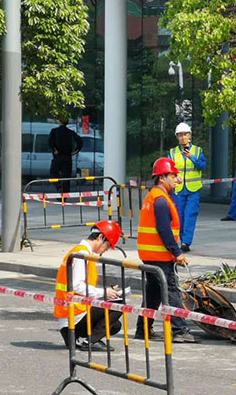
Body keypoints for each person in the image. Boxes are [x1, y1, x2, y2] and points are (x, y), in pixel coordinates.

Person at [137, 157, 198, 343]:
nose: (176, 179)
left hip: (150, 253)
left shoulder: (154, 196)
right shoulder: (161, 200)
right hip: (159, 255)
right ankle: (180, 330)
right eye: (173, 176)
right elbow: (164, 230)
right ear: (162, 177)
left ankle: (143, 329)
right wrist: (177, 252)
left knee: (154, 291)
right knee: (171, 289)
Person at [53, 220, 123, 351]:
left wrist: (107, 291)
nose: (106, 250)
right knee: (118, 304)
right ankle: (89, 341)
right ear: (101, 237)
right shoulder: (82, 254)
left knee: (115, 325)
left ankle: (83, 338)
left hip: (71, 316)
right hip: (74, 317)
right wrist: (104, 293)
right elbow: (78, 286)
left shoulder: (79, 251)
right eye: (107, 246)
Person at [168, 122, 206, 253]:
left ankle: (186, 242)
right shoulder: (172, 152)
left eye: (185, 134)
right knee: (179, 216)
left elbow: (202, 165)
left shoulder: (197, 150)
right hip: (179, 189)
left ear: (189, 135)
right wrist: (174, 176)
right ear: (177, 137)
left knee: (190, 215)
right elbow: (169, 169)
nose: (183, 137)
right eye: (180, 135)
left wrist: (192, 158)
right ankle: (181, 239)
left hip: (193, 189)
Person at [48, 119, 83, 194]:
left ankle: (59, 187)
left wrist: (54, 150)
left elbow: (50, 142)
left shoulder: (54, 131)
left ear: (59, 121)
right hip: (67, 157)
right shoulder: (70, 132)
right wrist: (76, 151)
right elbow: (79, 141)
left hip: (58, 157)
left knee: (53, 173)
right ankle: (65, 194)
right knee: (66, 176)